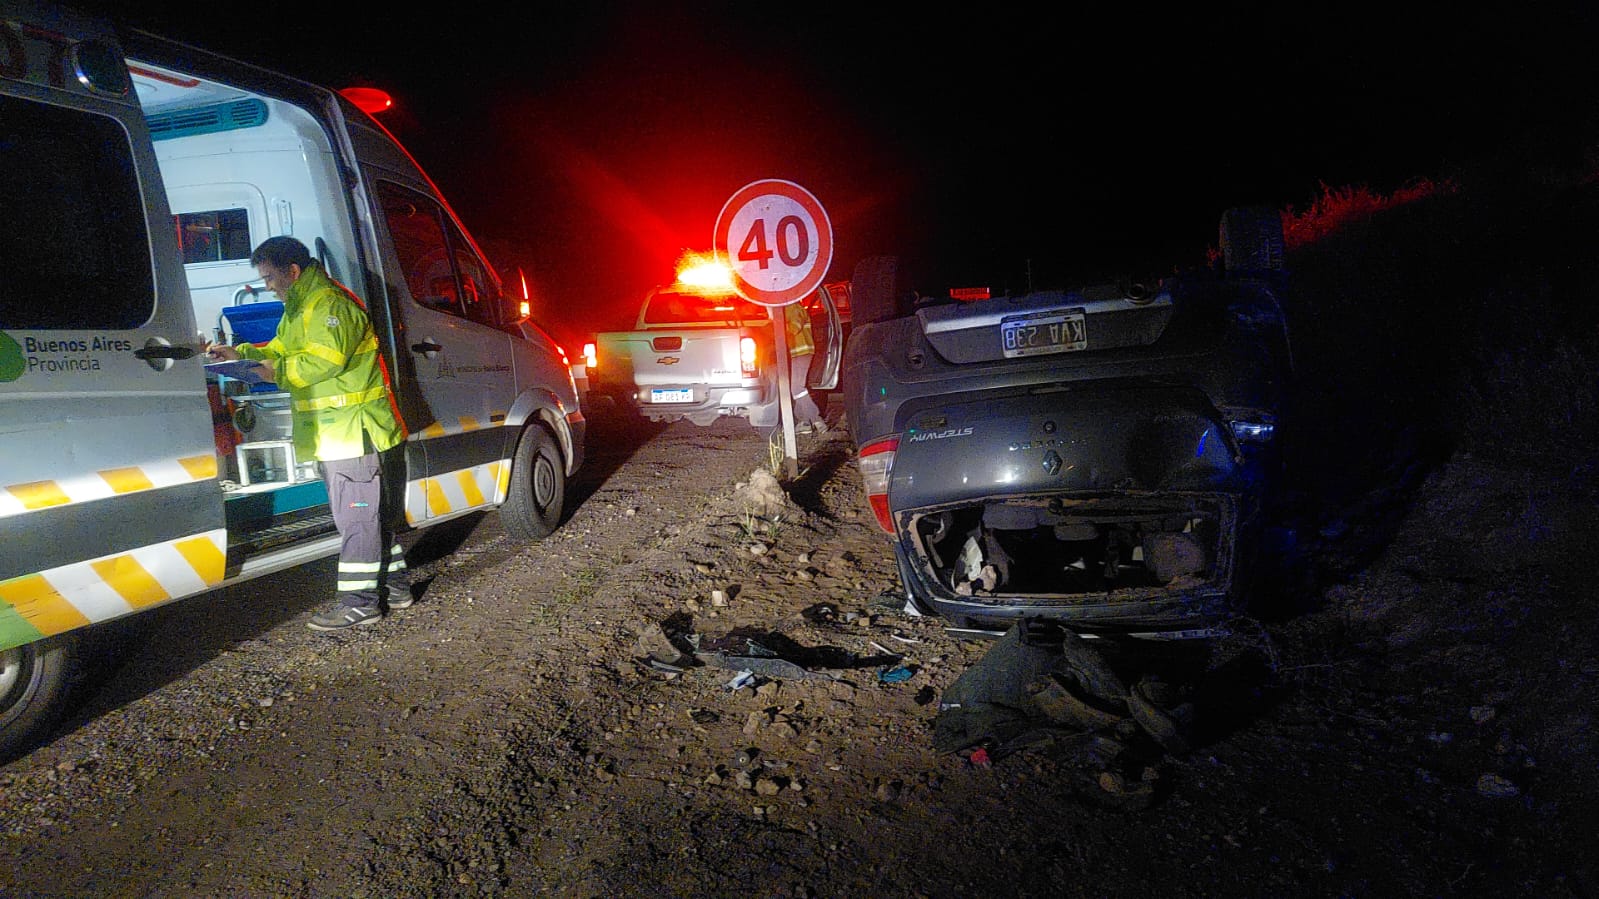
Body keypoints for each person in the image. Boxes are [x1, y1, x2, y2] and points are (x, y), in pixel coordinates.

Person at [205, 236, 412, 631]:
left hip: (353, 433)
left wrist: (273, 372)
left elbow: (321, 363)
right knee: (369, 519)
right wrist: (242, 355)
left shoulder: (330, 305)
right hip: (335, 435)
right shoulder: (301, 306)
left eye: (269, 278)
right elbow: (281, 350)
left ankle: (361, 604)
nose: (268, 286)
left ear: (293, 271)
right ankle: (397, 587)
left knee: (357, 522)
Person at [783, 299, 824, 434]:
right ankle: (804, 423)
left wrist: (777, 326)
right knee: (797, 388)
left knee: (796, 388)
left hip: (802, 351)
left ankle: (816, 419)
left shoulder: (792, 307)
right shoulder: (794, 307)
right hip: (799, 352)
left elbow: (795, 327)